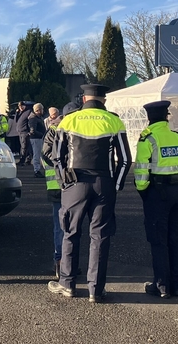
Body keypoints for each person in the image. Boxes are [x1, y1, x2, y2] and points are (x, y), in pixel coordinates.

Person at [45, 84, 132, 301]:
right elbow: (125, 159)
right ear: (104, 100)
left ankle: (67, 284)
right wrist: (117, 185)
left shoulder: (69, 120)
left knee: (70, 233)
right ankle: (96, 289)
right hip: (104, 184)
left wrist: (63, 182)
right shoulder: (114, 121)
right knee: (100, 237)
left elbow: (57, 157)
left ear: (84, 99)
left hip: (74, 183)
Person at [134, 100, 178, 299]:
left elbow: (141, 170)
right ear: (166, 116)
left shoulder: (147, 139)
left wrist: (142, 190)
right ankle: (177, 285)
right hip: (177, 193)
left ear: (149, 118)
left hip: (157, 194)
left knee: (158, 241)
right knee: (175, 240)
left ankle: (161, 286)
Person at [41, 102, 78, 280]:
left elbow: (45, 155)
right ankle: (61, 262)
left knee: (68, 226)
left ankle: (67, 262)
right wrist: (65, 164)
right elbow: (46, 155)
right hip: (60, 184)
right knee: (62, 226)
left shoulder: (59, 131)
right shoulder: (55, 131)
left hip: (66, 184)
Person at [28, 103, 46, 178]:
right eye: (41, 109)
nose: (43, 111)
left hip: (37, 138)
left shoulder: (35, 118)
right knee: (37, 154)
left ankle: (38, 169)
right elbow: (33, 130)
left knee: (38, 154)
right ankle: (36, 170)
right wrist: (42, 134)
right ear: (38, 110)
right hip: (36, 139)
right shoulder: (33, 119)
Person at [15, 101, 33, 166]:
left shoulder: (28, 112)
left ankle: (22, 161)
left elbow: (31, 121)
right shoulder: (20, 113)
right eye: (19, 106)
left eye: (22, 106)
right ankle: (28, 159)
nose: (21, 107)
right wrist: (17, 113)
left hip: (25, 132)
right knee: (24, 146)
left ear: (25, 106)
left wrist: (30, 130)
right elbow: (16, 121)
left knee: (24, 147)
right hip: (20, 132)